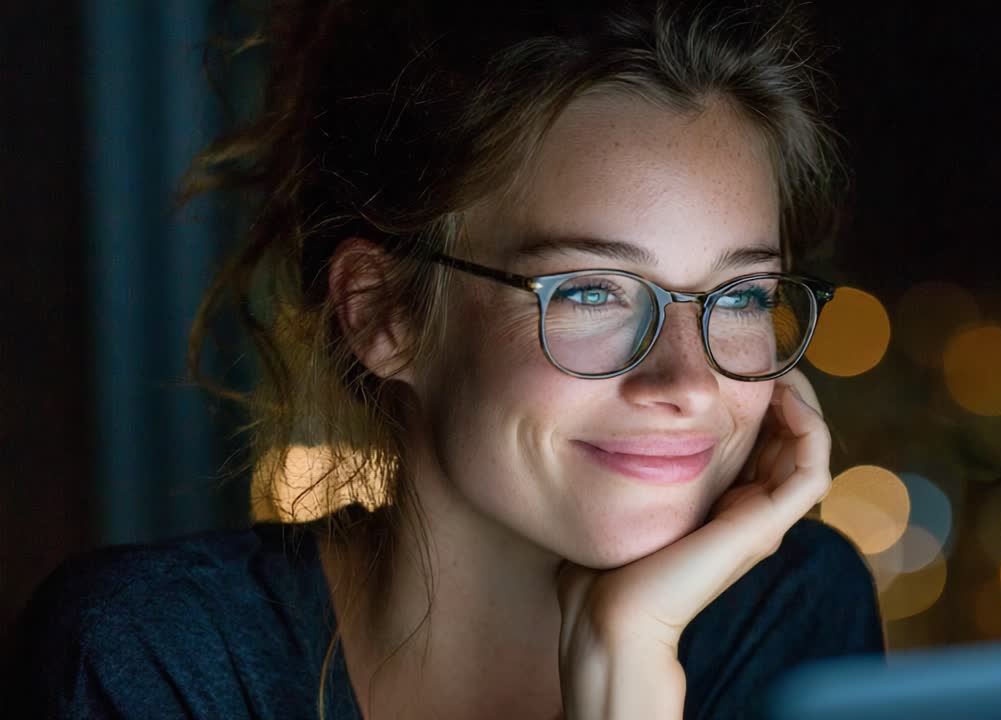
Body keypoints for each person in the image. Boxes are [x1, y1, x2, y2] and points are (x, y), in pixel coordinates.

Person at [10, 1, 884, 717]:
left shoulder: (792, 612)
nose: (687, 383)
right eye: (591, 292)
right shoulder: (152, 660)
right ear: (383, 313)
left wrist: (629, 646)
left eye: (741, 296)